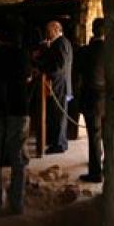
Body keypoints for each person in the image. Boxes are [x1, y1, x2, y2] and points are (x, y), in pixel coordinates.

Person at [0, 23, 32, 216]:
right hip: (17, 108)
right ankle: (17, 203)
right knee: (18, 158)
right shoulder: (21, 54)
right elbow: (28, 77)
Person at [78, 18, 106, 183]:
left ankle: (95, 172)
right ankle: (108, 167)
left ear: (93, 31)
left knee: (94, 136)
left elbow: (79, 74)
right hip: (107, 98)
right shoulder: (111, 49)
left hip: (91, 98)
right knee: (107, 135)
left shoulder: (85, 51)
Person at [41, 20, 73, 154]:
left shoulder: (61, 43)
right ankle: (58, 142)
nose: (47, 33)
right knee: (56, 115)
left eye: (49, 30)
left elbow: (59, 66)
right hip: (59, 85)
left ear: (56, 29)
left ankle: (59, 145)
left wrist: (45, 71)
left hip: (60, 85)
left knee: (58, 116)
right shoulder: (58, 43)